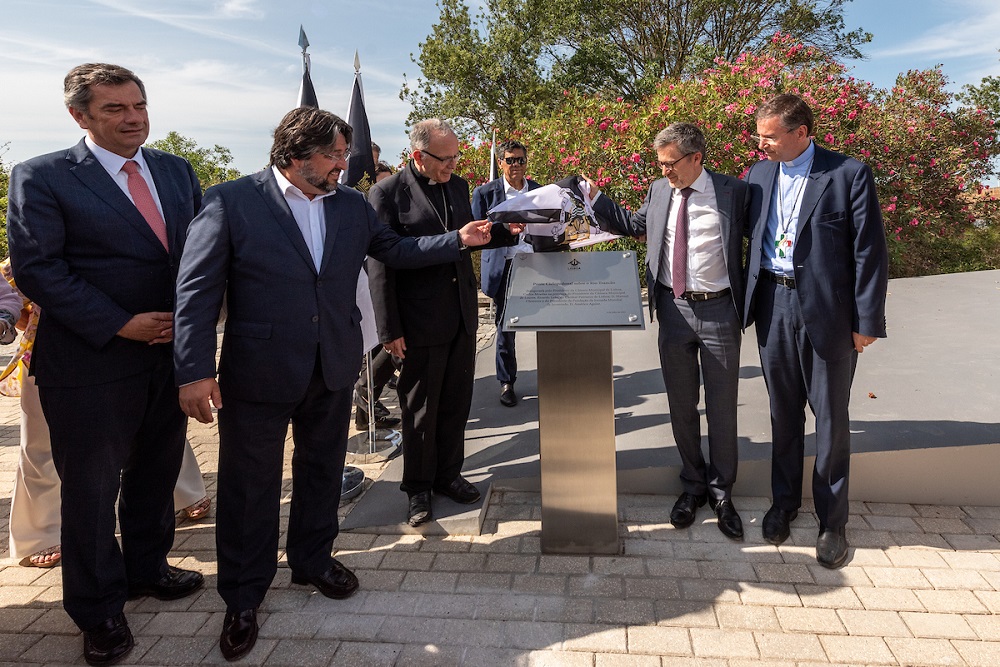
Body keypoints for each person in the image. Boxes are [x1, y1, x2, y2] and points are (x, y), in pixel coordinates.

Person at [172, 107, 499, 662]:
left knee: (322, 470)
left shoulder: (348, 204)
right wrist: (195, 369)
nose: (346, 164)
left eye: (345, 153)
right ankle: (244, 597)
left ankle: (313, 560)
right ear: (295, 156)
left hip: (332, 364)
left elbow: (393, 251)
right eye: (335, 155)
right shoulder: (231, 200)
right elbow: (196, 289)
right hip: (260, 370)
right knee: (250, 486)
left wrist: (457, 241)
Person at [6, 63, 204, 665]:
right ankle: (97, 612)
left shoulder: (174, 170)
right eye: (115, 109)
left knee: (155, 472)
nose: (134, 118)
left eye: (139, 105)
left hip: (167, 356)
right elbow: (40, 269)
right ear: (80, 115)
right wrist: (120, 322)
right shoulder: (40, 177)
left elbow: (196, 254)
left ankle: (147, 570)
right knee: (91, 493)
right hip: (89, 363)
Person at [744, 93, 888, 568]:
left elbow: (869, 252)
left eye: (769, 135)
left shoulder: (847, 173)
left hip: (827, 313)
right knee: (783, 414)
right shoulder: (759, 175)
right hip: (773, 303)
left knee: (830, 420)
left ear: (801, 132)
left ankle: (832, 522)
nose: (760, 143)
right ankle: (784, 504)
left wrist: (866, 322)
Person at [588, 123, 751, 540]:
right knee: (681, 404)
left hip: (719, 312)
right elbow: (633, 223)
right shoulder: (660, 190)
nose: (664, 172)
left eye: (670, 163)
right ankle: (693, 487)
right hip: (673, 309)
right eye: (659, 164)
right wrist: (595, 198)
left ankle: (721, 493)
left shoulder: (735, 192)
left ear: (697, 157)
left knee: (722, 407)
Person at [368, 119, 519, 527]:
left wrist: (509, 230)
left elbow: (472, 235)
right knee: (420, 409)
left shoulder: (457, 185)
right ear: (418, 156)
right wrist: (389, 330)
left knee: (455, 402)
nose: (454, 164)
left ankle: (448, 474)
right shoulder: (386, 193)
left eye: (456, 156)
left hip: (460, 316)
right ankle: (417, 488)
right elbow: (383, 261)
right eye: (445, 158)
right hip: (417, 321)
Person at [472, 140, 541, 407]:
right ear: (500, 162)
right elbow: (477, 234)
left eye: (520, 160)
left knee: (547, 322)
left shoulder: (539, 190)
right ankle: (506, 381)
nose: (516, 165)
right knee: (505, 327)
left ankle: (555, 376)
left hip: (536, 266)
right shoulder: (484, 193)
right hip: (505, 268)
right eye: (510, 160)